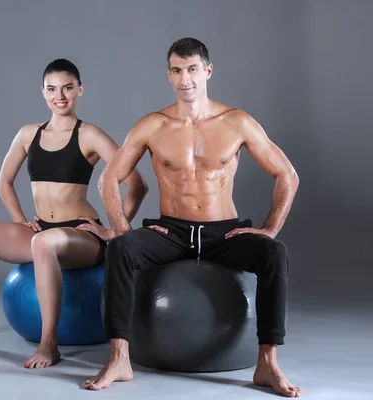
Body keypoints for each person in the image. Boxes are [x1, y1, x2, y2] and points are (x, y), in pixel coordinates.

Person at [83, 38, 303, 397]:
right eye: (176, 70)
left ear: (207, 71)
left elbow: (287, 175)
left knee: (274, 252)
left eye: (192, 69)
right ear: (168, 75)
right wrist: (122, 231)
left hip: (224, 232)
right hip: (171, 230)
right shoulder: (152, 125)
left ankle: (268, 363)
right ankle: (119, 358)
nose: (185, 78)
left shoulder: (236, 122)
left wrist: (270, 229)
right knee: (121, 250)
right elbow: (109, 179)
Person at [0, 58, 148, 369]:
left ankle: (49, 342)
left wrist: (115, 231)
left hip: (81, 235)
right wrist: (20, 220)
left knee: (44, 243)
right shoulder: (28, 133)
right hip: (43, 230)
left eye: (67, 88)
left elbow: (137, 185)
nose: (59, 96)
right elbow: (3, 182)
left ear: (80, 90)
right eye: (51, 89)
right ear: (43, 92)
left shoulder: (90, 135)